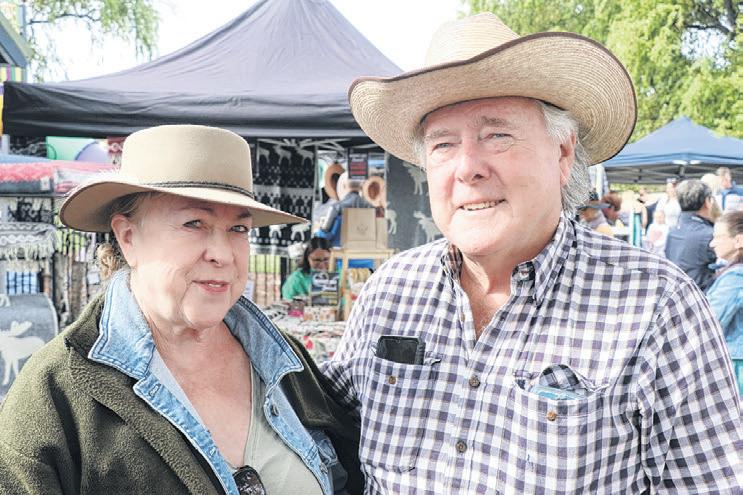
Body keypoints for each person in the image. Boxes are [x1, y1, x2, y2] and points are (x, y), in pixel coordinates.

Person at [322, 13, 742, 493]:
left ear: (563, 153)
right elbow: (315, 442)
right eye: (443, 145)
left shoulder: (656, 304)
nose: (467, 167)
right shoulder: (391, 292)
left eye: (496, 135)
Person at [0, 125, 361, 495]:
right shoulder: (55, 393)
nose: (222, 254)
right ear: (128, 237)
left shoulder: (285, 361)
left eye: (238, 228)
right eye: (194, 223)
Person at [707, 210, 743, 395]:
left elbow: (710, 323)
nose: (712, 243)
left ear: (739, 240)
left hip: (736, 362)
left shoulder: (735, 277)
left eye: (718, 237)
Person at [665, 179, 717, 290]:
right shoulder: (709, 234)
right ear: (707, 202)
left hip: (677, 292)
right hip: (701, 293)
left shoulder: (672, 231)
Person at [315, 172, 373, 246]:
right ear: (361, 187)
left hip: (340, 248)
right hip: (366, 247)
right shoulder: (370, 207)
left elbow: (325, 232)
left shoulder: (336, 207)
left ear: (344, 186)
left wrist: (319, 232)